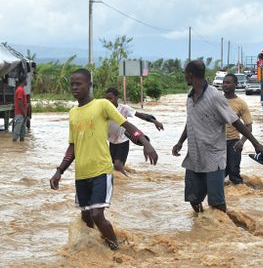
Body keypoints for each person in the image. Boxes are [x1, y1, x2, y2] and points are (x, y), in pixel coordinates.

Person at [49, 69, 158, 251]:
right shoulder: (73, 113)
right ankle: (95, 251)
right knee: (86, 218)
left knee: (97, 214)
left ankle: (116, 251)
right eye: (72, 84)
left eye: (79, 84)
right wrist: (59, 171)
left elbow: (127, 125)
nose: (74, 87)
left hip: (101, 172)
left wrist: (146, 143)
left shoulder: (102, 105)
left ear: (90, 85)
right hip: (81, 174)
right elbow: (72, 147)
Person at [172, 60, 263, 214]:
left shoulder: (214, 97)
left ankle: (226, 229)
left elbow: (236, 121)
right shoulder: (190, 98)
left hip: (214, 157)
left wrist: (256, 144)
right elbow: (190, 122)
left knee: (216, 202)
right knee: (193, 199)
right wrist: (180, 142)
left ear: (190, 75)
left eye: (185, 74)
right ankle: (203, 226)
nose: (184, 77)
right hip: (194, 156)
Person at [105, 87, 164, 176]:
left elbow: (141, 115)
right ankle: (126, 180)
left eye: (110, 98)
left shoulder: (124, 109)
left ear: (117, 97)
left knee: (117, 165)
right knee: (113, 167)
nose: (108, 101)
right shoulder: (105, 110)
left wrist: (155, 121)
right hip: (112, 142)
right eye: (107, 99)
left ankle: (127, 181)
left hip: (123, 141)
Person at [222, 73, 253, 184]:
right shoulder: (217, 100)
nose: (225, 85)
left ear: (235, 85)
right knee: (217, 173)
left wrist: (242, 142)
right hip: (217, 142)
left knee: (234, 172)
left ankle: (238, 196)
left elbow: (248, 126)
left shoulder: (241, 104)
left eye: (228, 83)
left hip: (233, 142)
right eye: (224, 83)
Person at [13, 76, 28, 142]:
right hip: (20, 114)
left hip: (22, 114)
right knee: (16, 133)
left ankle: (20, 149)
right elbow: (20, 103)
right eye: (26, 80)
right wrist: (24, 113)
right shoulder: (20, 90)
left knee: (22, 133)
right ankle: (14, 147)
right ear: (23, 81)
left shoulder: (21, 89)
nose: (27, 81)